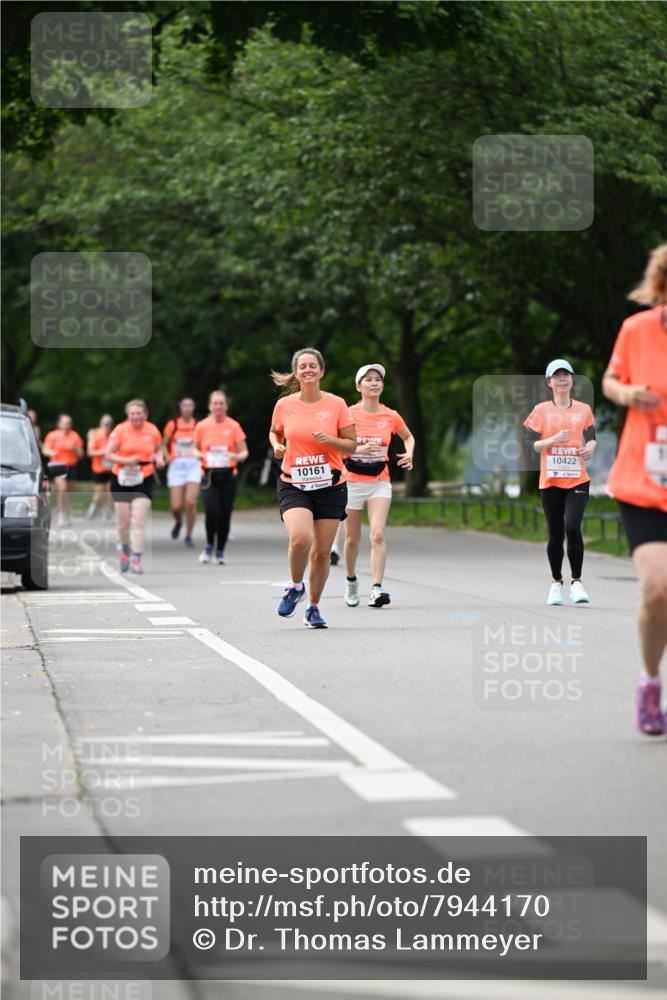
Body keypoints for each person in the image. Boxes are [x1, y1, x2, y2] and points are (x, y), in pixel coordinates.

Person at [602, 242, 667, 736]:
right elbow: (610, 381)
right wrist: (626, 394)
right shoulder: (637, 329)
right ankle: (649, 682)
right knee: (657, 586)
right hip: (646, 478)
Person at [269, 348, 356, 629]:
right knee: (300, 539)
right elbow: (275, 431)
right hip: (294, 482)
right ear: (296, 372)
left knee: (321, 552)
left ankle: (313, 608)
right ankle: (296, 587)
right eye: (302, 366)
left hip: (330, 484)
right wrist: (277, 446)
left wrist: (331, 440)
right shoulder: (285, 405)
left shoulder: (336, 404)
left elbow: (351, 444)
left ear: (321, 371)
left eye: (312, 366)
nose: (307, 370)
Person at [524, 360, 596, 606]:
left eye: (566, 375)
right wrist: (552, 439)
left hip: (577, 479)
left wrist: (591, 448)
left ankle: (577, 582)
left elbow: (592, 436)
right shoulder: (541, 410)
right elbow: (530, 444)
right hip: (551, 481)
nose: (562, 379)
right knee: (556, 534)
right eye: (557, 376)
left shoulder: (583, 409)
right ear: (549, 382)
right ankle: (556, 583)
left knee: (572, 526)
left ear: (572, 380)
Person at [342, 364, 414, 608]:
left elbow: (408, 436)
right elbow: (336, 444)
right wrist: (357, 449)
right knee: (352, 539)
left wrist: (409, 453)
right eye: (368, 379)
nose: (374, 383)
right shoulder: (347, 414)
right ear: (358, 386)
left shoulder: (390, 415)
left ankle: (376, 588)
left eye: (378, 380)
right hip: (351, 481)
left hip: (379, 482)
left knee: (378, 533)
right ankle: (351, 581)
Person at [105, 399, 165, 574]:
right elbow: (108, 454)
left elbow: (159, 449)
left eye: (139, 413)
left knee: (138, 519)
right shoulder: (120, 430)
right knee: (123, 523)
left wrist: (160, 458)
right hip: (121, 476)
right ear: (127, 415)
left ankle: (136, 558)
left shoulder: (152, 430)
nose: (136, 417)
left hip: (144, 477)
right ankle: (124, 550)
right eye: (132, 414)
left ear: (145, 414)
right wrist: (126, 460)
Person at [193, 391, 248, 564]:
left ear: (226, 406)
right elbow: (194, 448)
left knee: (225, 513)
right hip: (209, 474)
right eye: (215, 403)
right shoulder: (202, 426)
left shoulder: (233, 426)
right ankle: (209, 544)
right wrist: (200, 454)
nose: (218, 406)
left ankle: (221, 549)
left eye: (221, 403)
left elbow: (244, 451)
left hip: (228, 475)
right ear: (210, 406)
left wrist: (237, 457)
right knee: (212, 511)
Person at [164, 397, 200, 548]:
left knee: (190, 503)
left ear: (193, 408)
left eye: (190, 406)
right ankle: (179, 521)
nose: (187, 408)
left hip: (193, 464)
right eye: (184, 405)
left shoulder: (198, 425)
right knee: (176, 506)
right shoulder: (173, 425)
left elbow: (204, 444)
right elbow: (163, 444)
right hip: (177, 465)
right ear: (180, 408)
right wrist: (167, 457)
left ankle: (188, 535)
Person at [41, 414, 84, 526]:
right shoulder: (52, 435)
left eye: (69, 422)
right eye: (64, 422)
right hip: (58, 466)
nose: (66, 425)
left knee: (68, 492)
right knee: (63, 489)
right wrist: (51, 452)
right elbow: (45, 449)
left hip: (72, 466)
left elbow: (81, 454)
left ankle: (66, 513)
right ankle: (61, 514)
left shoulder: (74, 436)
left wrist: (75, 449)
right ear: (59, 423)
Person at [86, 414, 114, 519]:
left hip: (111, 468)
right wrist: (104, 452)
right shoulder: (95, 435)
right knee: (99, 492)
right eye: (105, 423)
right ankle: (93, 509)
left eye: (109, 423)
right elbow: (90, 452)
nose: (108, 425)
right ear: (101, 423)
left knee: (111, 491)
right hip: (99, 469)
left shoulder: (114, 435)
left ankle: (108, 512)